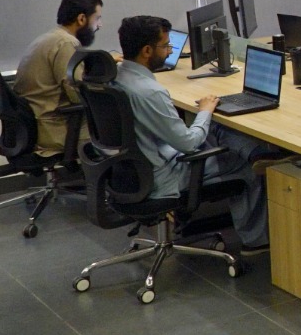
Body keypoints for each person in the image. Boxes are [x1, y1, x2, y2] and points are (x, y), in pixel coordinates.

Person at [114, 15, 275, 251]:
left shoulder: (117, 77)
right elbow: (188, 143)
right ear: (147, 50)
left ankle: (256, 152)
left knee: (217, 127)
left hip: (131, 172)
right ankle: (256, 242)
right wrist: (205, 110)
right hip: (163, 178)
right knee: (246, 166)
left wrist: (205, 115)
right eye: (166, 45)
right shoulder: (150, 92)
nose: (170, 51)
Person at [13, 0, 102, 157]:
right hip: (54, 130)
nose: (99, 25)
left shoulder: (50, 38)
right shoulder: (66, 44)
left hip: (33, 126)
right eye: (97, 18)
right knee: (120, 123)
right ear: (81, 19)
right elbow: (78, 95)